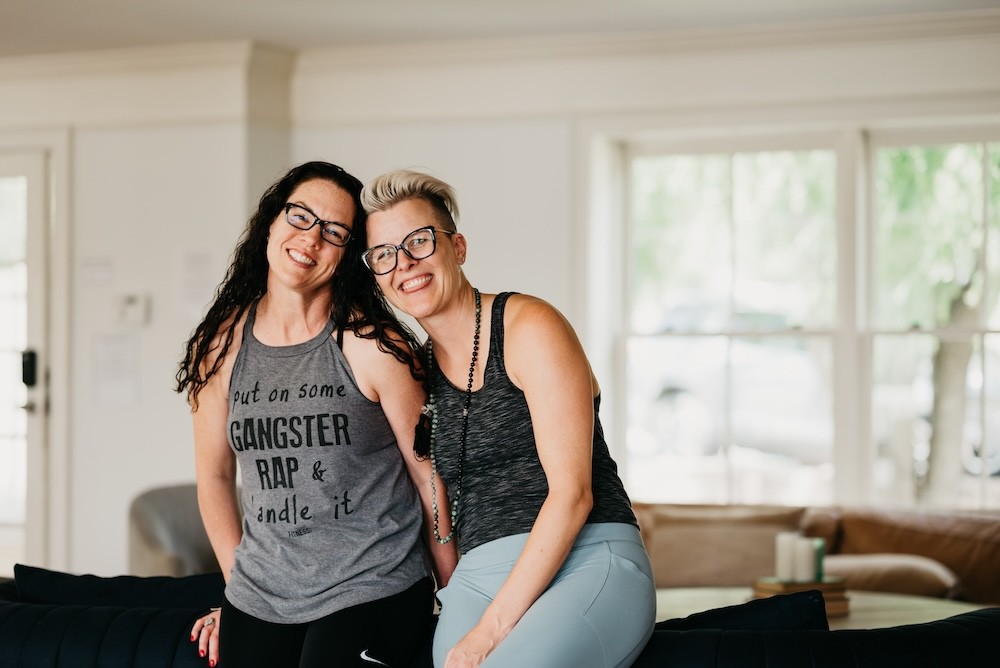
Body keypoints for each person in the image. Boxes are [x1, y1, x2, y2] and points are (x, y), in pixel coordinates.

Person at [360, 169, 656, 668]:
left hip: (588, 557)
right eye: (384, 254)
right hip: (478, 577)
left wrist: (487, 634)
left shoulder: (530, 327)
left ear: (458, 247)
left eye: (419, 241)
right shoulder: (417, 370)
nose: (404, 263)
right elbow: (437, 502)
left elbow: (573, 494)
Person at [175, 161, 458, 668]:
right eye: (300, 217)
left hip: (374, 581)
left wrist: (457, 593)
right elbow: (214, 477)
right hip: (262, 594)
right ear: (271, 221)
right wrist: (238, 589)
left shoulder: (375, 348)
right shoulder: (217, 349)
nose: (311, 239)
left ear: (348, 255)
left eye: (334, 232)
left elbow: (428, 476)